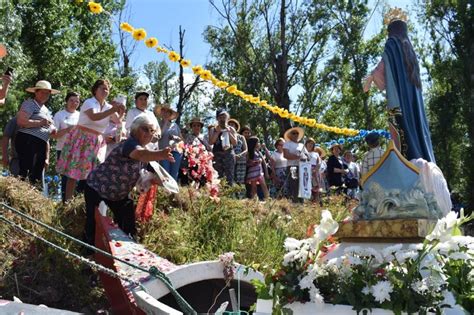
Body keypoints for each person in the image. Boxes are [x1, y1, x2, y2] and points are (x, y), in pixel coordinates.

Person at [83, 115, 174, 247]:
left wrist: (164, 183)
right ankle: (88, 254)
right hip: (97, 188)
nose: (148, 133)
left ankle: (129, 248)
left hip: (118, 195)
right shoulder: (130, 144)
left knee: (127, 219)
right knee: (93, 223)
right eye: (145, 129)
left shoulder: (146, 154)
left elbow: (156, 176)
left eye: (151, 131)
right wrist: (162, 154)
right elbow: (141, 154)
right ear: (136, 129)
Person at [364, 12, 435, 163]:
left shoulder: (391, 43)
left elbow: (382, 67)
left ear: (391, 31)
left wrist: (370, 78)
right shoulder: (410, 50)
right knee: (417, 130)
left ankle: (410, 163)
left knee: (403, 136)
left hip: (399, 102)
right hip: (414, 104)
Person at [57, 79, 126, 202]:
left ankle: (86, 203)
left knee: (93, 174)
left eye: (107, 89)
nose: (105, 91)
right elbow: (94, 117)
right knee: (73, 173)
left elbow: (117, 121)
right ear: (95, 90)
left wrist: (121, 112)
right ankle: (67, 203)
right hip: (81, 138)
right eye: (102, 88)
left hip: (96, 141)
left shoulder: (109, 106)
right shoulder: (89, 102)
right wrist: (112, 110)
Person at [15, 80, 59, 185]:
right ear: (36, 92)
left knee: (37, 173)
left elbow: (47, 126)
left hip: (41, 143)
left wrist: (52, 129)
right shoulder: (29, 103)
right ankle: (21, 191)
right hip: (27, 139)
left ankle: (32, 195)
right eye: (43, 92)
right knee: (26, 168)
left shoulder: (46, 110)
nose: (45, 95)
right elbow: (21, 121)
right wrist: (40, 122)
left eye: (47, 93)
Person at [50, 92, 80, 201]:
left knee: (76, 178)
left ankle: (74, 203)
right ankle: (64, 203)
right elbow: (54, 135)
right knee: (66, 178)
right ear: (66, 101)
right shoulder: (59, 115)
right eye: (71, 100)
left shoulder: (81, 115)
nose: (74, 103)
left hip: (78, 151)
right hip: (63, 149)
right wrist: (67, 129)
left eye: (77, 101)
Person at [209, 109, 237, 185]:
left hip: (229, 154)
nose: (222, 119)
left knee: (229, 176)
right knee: (218, 175)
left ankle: (229, 194)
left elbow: (234, 143)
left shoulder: (231, 129)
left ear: (227, 117)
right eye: (220, 117)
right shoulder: (213, 129)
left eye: (224, 116)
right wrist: (218, 132)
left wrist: (228, 132)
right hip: (217, 154)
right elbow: (211, 142)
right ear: (217, 118)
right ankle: (218, 194)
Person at [155, 103, 182, 181]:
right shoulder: (157, 124)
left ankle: (173, 192)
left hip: (176, 151)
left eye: (168, 112)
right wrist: (165, 124)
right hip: (163, 151)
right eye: (164, 111)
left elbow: (181, 139)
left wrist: (175, 137)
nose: (166, 113)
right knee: (165, 172)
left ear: (170, 114)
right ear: (161, 113)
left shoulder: (175, 125)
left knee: (174, 174)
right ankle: (165, 191)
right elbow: (158, 137)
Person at [283, 126, 304, 202]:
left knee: (301, 183)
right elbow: (286, 155)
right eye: (293, 133)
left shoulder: (302, 145)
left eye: (297, 133)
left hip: (302, 167)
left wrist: (304, 157)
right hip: (292, 167)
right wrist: (297, 157)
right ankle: (294, 202)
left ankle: (301, 201)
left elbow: (306, 155)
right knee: (293, 183)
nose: (295, 134)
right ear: (290, 135)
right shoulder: (287, 144)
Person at [228, 118, 247, 186]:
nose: (230, 126)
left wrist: (239, 155)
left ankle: (241, 196)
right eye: (229, 124)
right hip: (230, 160)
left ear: (236, 127)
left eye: (232, 125)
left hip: (241, 161)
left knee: (240, 180)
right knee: (231, 179)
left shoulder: (241, 137)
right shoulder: (226, 136)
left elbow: (245, 150)